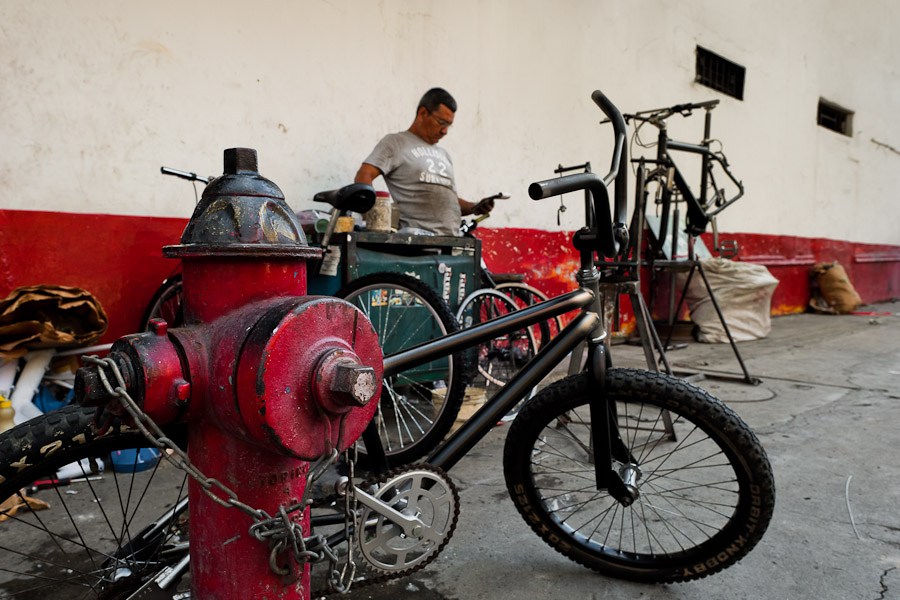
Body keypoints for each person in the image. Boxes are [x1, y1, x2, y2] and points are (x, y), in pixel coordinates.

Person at [354, 87, 494, 236]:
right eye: (441, 122)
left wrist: (474, 207)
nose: (445, 131)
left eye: (448, 125)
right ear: (423, 113)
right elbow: (364, 175)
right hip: (416, 240)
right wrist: (373, 215)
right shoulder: (396, 143)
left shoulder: (444, 155)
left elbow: (450, 202)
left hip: (452, 239)